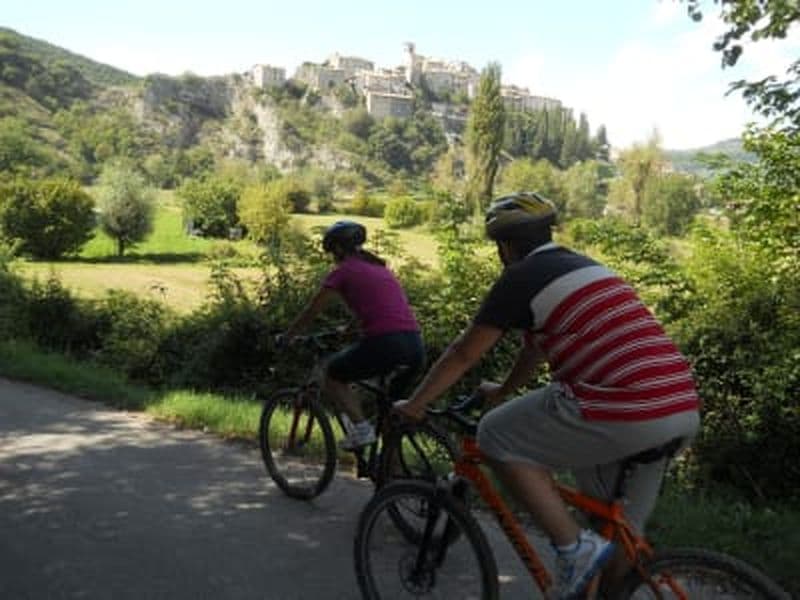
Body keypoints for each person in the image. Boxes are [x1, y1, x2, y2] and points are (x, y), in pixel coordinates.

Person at [394, 192, 701, 599]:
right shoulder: (585, 266)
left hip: (621, 405)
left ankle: (573, 550)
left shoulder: (520, 278)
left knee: (494, 435)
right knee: (619, 529)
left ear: (504, 246)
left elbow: (464, 353)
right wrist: (502, 391)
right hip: (678, 405)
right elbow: (535, 349)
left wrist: (415, 404)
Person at [284, 220, 425, 450]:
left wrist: (288, 336)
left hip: (386, 344)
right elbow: (380, 309)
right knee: (391, 414)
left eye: (331, 252)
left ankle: (361, 430)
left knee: (332, 375)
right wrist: (347, 331)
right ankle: (392, 476)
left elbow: (312, 309)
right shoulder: (380, 269)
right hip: (415, 345)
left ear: (338, 249)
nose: (332, 257)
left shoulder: (343, 272)